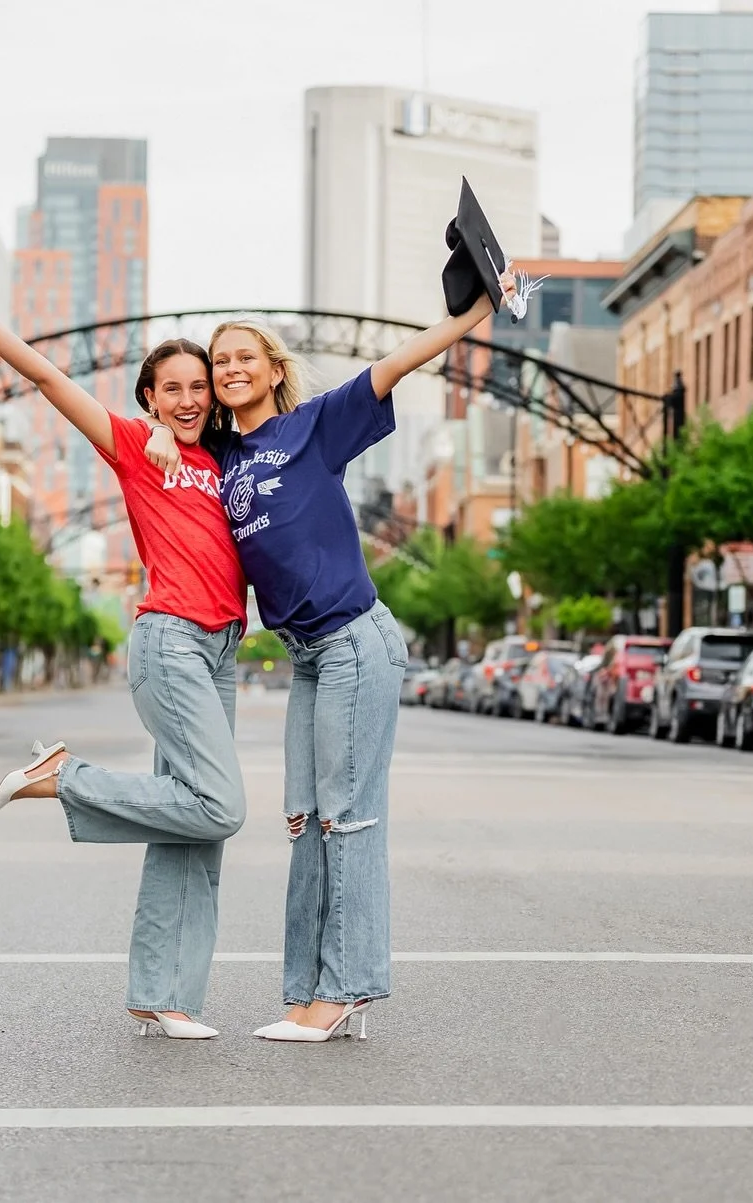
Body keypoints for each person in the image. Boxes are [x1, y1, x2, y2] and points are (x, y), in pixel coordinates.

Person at [146, 282, 514, 1042]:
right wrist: (157, 430)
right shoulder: (223, 453)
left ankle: (344, 990)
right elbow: (169, 427)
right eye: (220, 361)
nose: (229, 369)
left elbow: (398, 361)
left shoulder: (314, 426)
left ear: (274, 369)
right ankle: (307, 989)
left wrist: (477, 309)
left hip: (354, 640)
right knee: (305, 819)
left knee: (347, 818)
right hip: (308, 656)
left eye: (244, 357)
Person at [0, 275, 247, 1040]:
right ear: (150, 397)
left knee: (194, 829)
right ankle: (62, 775)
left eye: (199, 386)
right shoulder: (134, 446)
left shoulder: (230, 458)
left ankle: (163, 995)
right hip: (170, 639)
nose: (189, 398)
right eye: (172, 389)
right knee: (221, 805)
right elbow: (44, 375)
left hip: (224, 648)